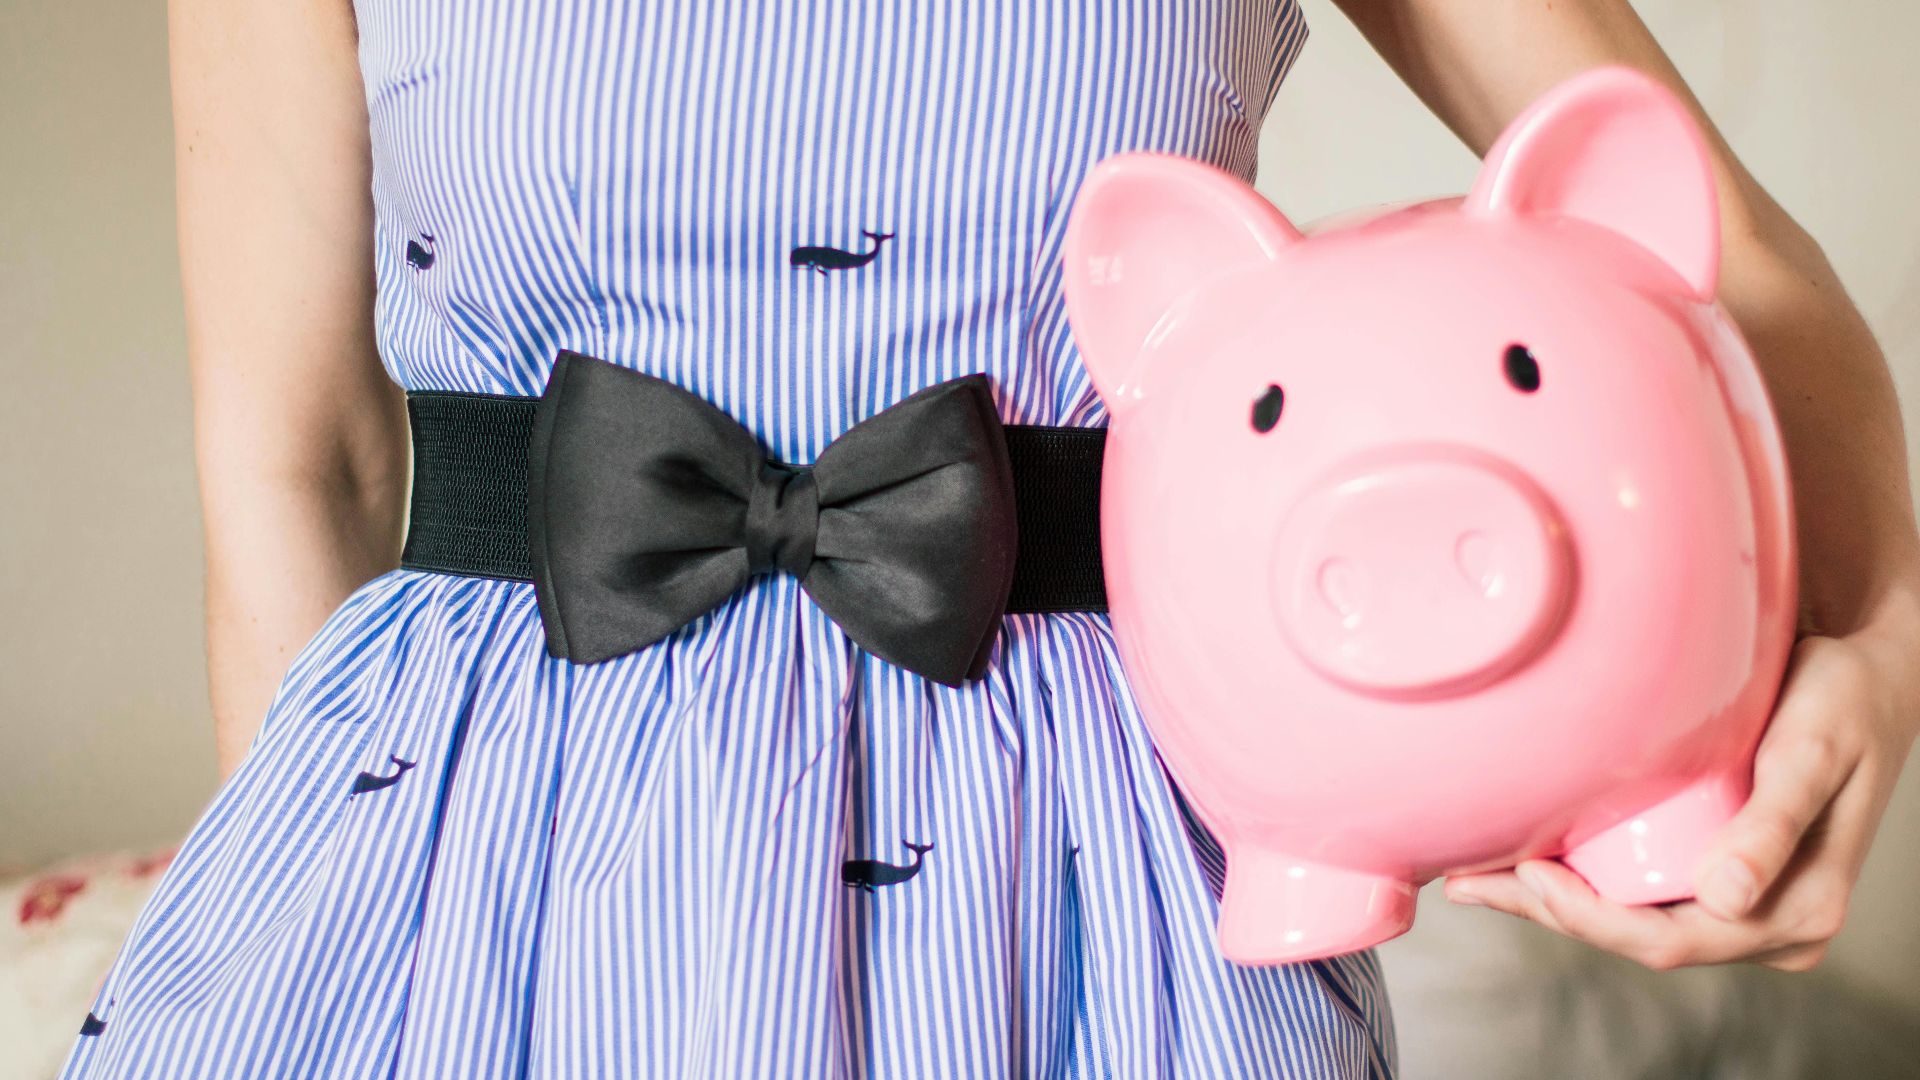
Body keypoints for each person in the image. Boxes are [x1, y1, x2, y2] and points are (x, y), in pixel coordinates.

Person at [62, 0, 1920, 1076]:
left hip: (1082, 886)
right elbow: (293, 458)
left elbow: (1730, 262)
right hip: (478, 861)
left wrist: (1884, 647)